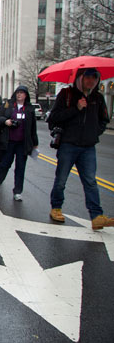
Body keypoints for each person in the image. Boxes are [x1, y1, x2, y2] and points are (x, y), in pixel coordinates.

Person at [47, 68, 114, 230]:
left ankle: (96, 216)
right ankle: (56, 208)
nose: (91, 81)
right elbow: (53, 118)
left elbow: (104, 120)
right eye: (88, 77)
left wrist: (94, 133)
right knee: (61, 180)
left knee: (90, 182)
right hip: (68, 145)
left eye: (94, 78)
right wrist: (76, 108)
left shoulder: (97, 98)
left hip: (88, 147)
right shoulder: (66, 94)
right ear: (80, 78)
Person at [0, 85, 38, 201]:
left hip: (22, 143)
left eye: (22, 93)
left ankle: (17, 191)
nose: (19, 95)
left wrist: (35, 143)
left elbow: (33, 127)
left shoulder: (29, 109)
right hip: (9, 141)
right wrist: (6, 121)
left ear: (26, 95)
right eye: (18, 92)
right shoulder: (8, 105)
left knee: (20, 167)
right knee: (5, 164)